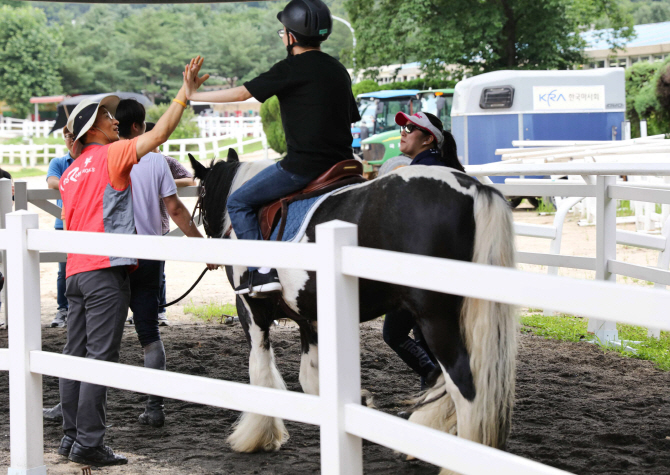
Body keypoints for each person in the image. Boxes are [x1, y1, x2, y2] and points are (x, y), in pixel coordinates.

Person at [56, 57, 208, 467]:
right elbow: (160, 132)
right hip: (106, 271)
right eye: (106, 115)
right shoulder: (114, 154)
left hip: (76, 271)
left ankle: (70, 438)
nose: (113, 118)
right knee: (100, 358)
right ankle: (89, 442)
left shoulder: (71, 171)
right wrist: (184, 94)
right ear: (94, 128)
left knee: (75, 353)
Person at [183, 0, 360, 297]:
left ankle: (261, 272)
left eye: (283, 33)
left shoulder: (290, 68)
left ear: (291, 36)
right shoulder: (338, 69)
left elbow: (243, 92)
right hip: (345, 164)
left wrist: (194, 94)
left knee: (238, 201)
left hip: (303, 167)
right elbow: (350, 117)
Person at [115, 99, 215, 427]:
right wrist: (202, 247)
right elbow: (175, 209)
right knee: (148, 331)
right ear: (138, 126)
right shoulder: (156, 162)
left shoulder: (104, 158)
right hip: (148, 256)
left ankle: (74, 403)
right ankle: (154, 406)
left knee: (97, 333)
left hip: (110, 255)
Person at [382, 111, 464, 391]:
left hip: (419, 271)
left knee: (394, 333)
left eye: (411, 128)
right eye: (403, 127)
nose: (403, 132)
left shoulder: (413, 175)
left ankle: (434, 383)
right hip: (452, 271)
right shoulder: (449, 171)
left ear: (429, 138)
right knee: (430, 338)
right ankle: (433, 394)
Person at [46, 127, 75, 328]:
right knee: (63, 268)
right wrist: (77, 180)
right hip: (62, 222)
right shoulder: (58, 162)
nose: (71, 140)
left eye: (74, 136)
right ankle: (62, 309)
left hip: (87, 221)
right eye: (68, 136)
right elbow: (51, 182)